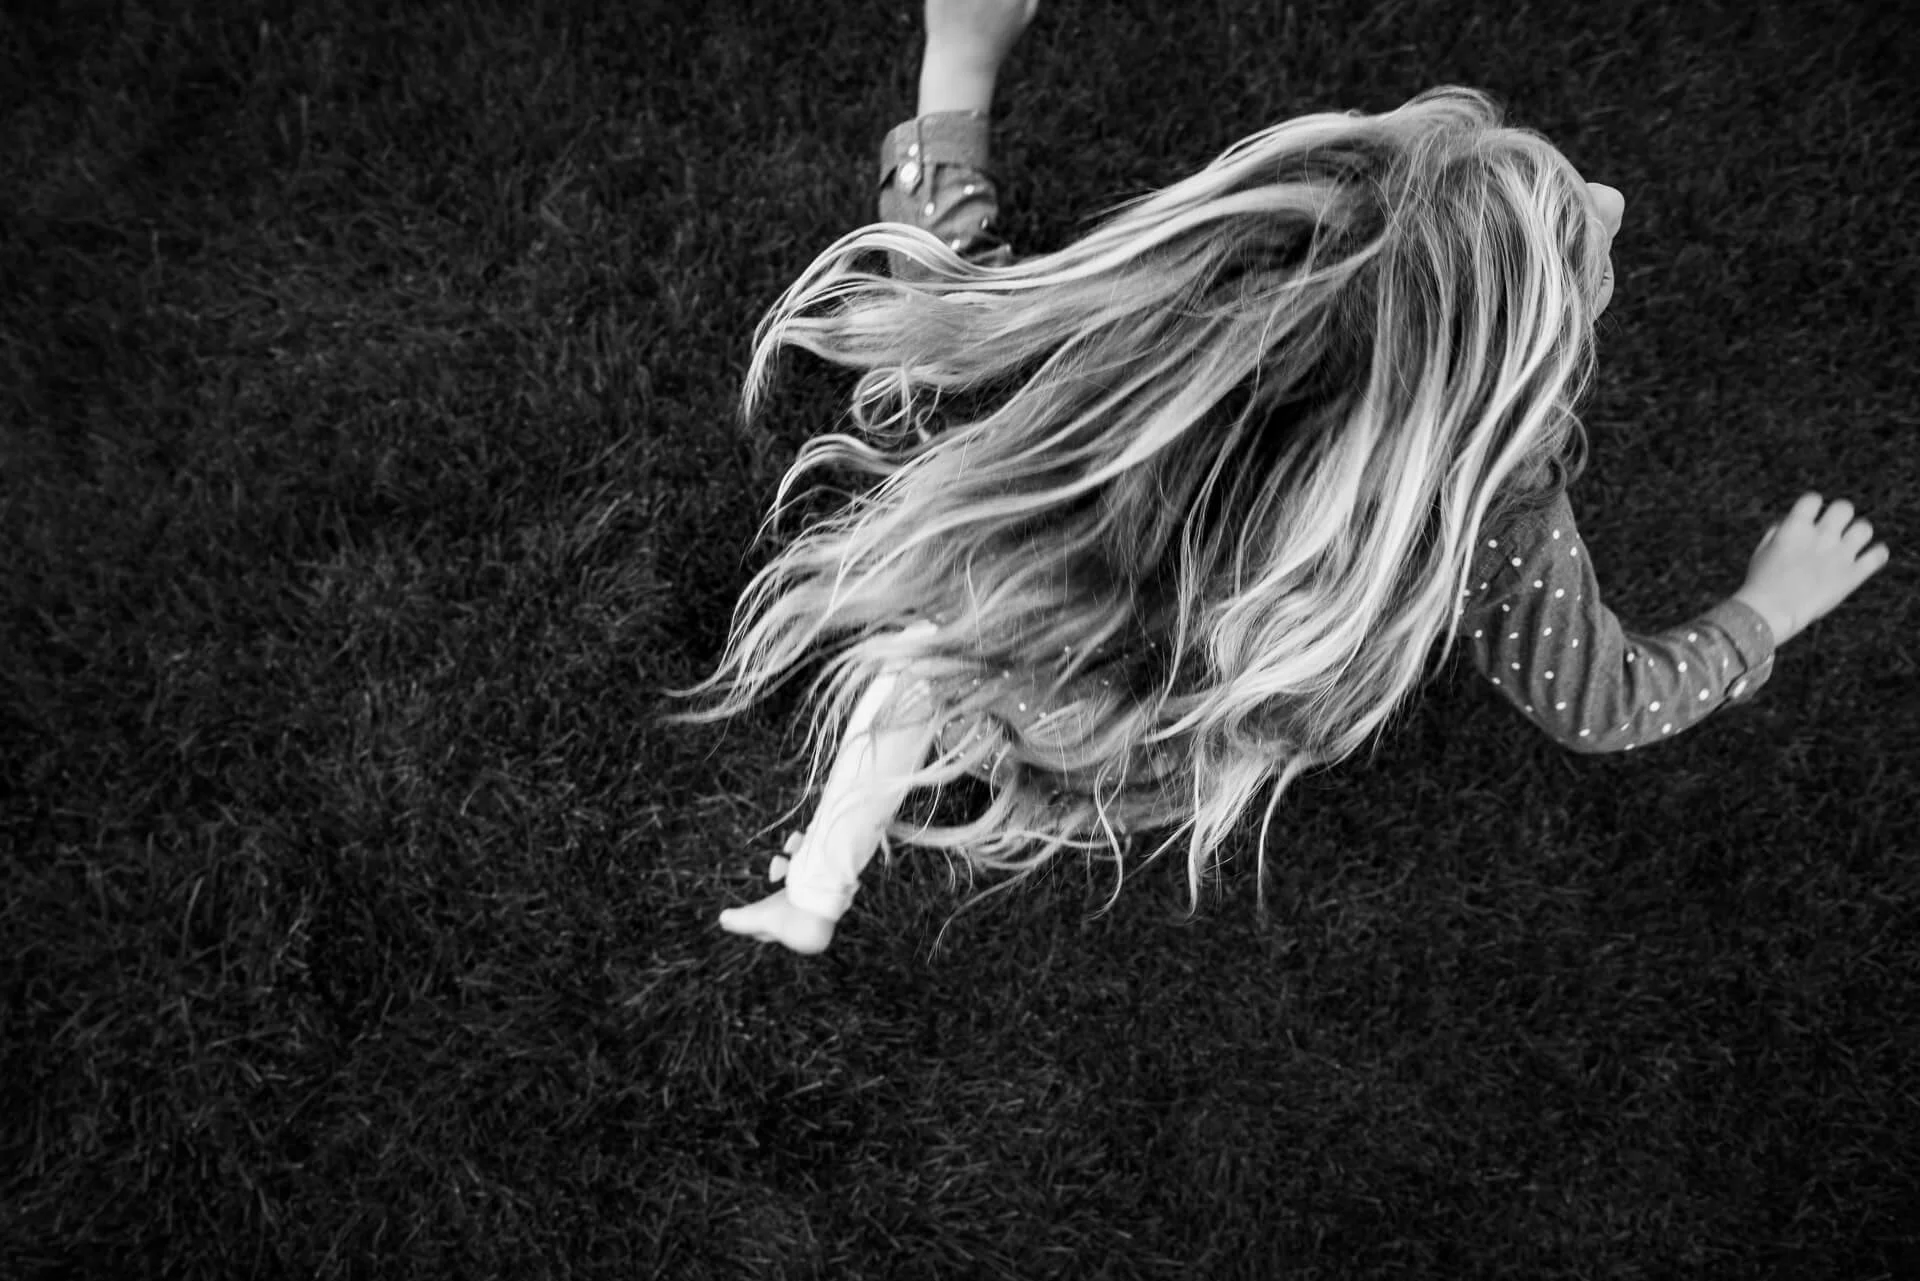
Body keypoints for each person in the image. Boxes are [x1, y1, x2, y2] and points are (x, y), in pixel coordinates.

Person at [662, 0, 1893, 955]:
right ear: (1486, 393)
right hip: (1165, 752)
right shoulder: (1490, 501)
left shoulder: (1152, 355)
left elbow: (951, 283)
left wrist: (958, 65)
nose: (1612, 202)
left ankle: (820, 886)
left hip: (1033, 646)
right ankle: (832, 876)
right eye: (1585, 242)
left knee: (920, 663)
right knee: (945, 669)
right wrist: (1768, 609)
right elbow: (1601, 700)